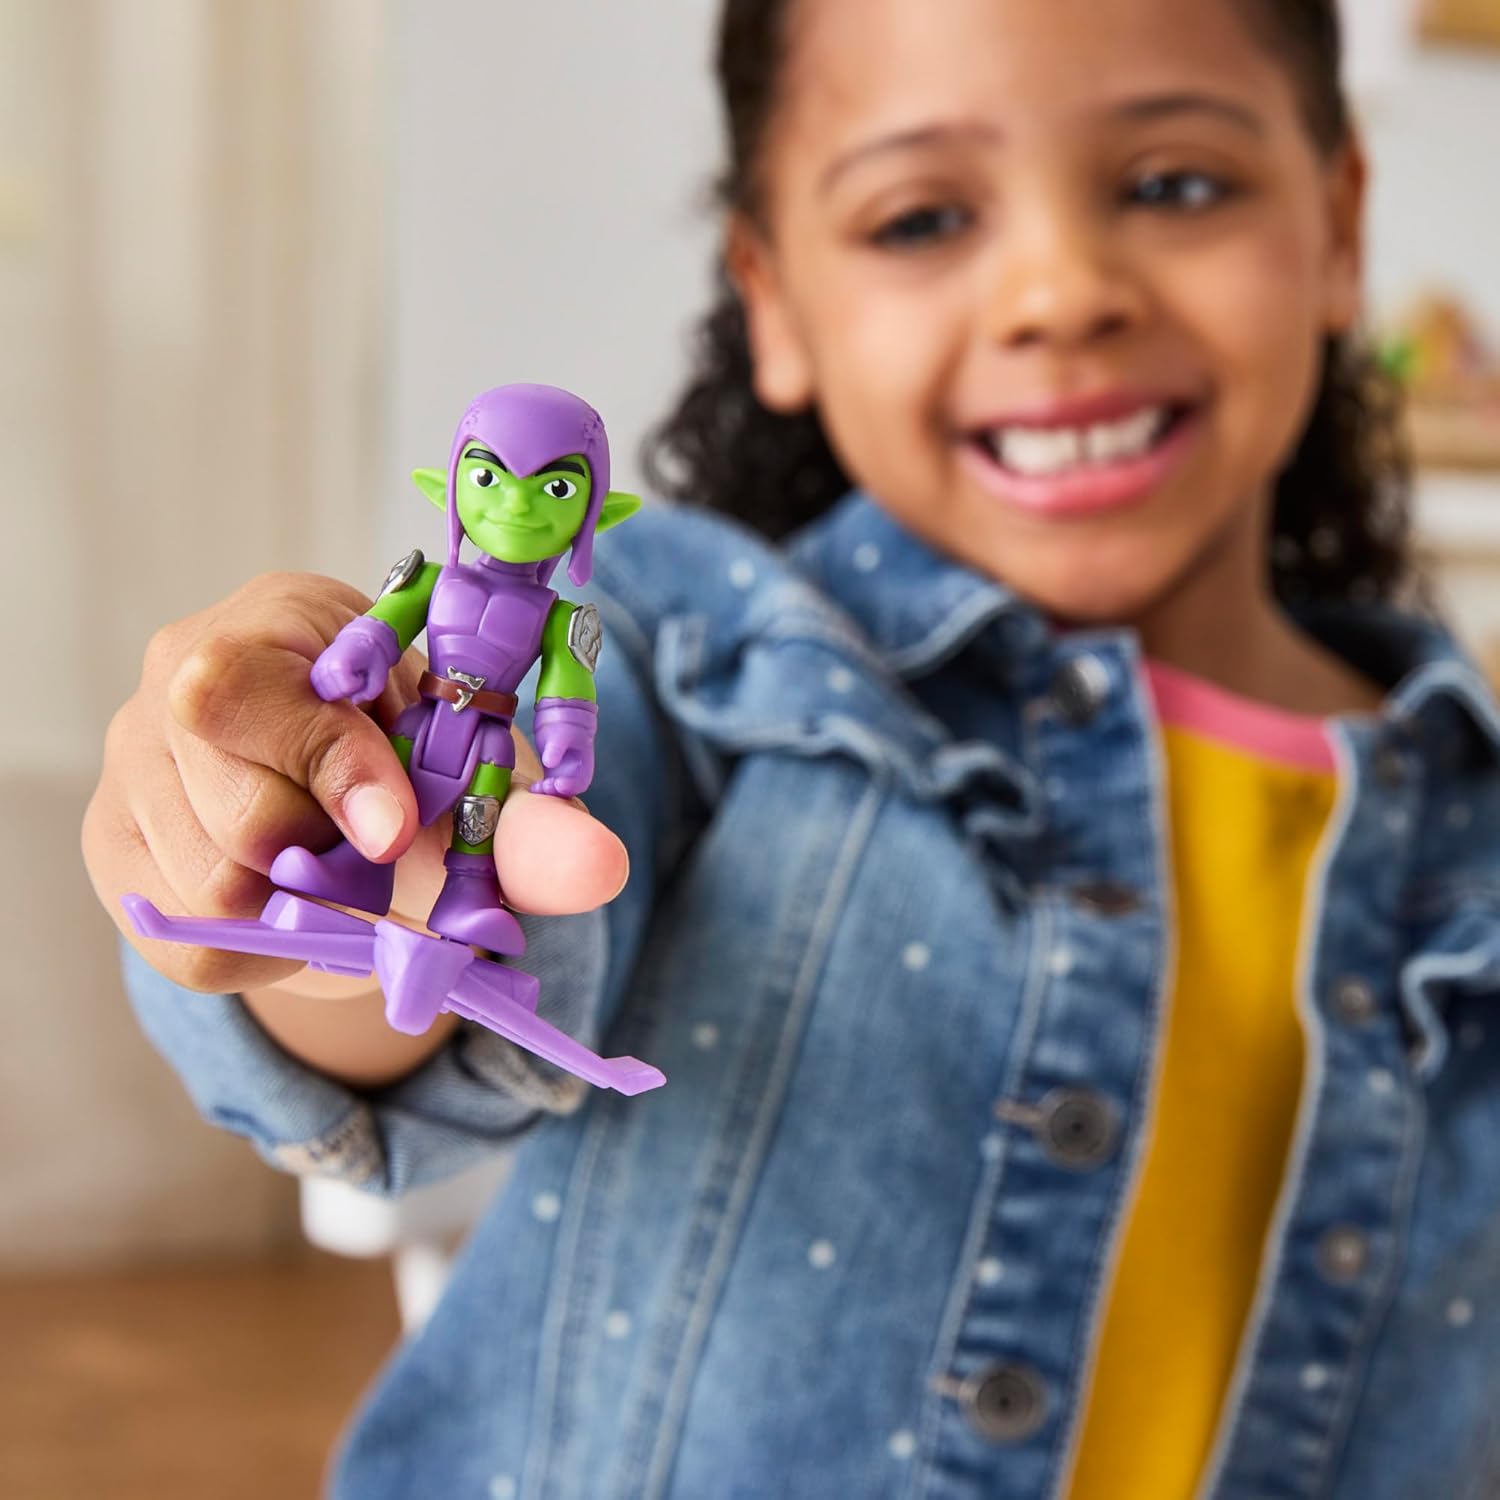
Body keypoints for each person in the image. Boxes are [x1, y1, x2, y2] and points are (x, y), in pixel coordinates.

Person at [81, 1, 1500, 1496]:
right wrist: (332, 869)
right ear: (774, 298)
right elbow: (432, 1018)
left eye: (1174, 185)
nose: (1062, 293)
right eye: (921, 217)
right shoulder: (699, 657)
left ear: (1339, 226)